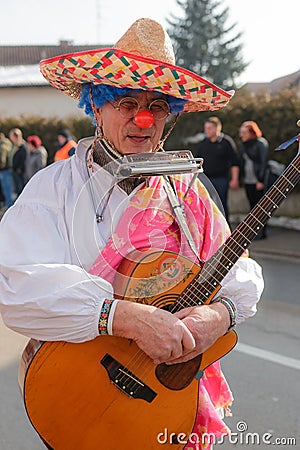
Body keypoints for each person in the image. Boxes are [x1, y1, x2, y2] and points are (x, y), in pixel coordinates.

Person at [0, 18, 264, 450]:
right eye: (126, 102)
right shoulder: (53, 187)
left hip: (163, 403)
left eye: (157, 106)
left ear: (170, 117)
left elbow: (238, 269)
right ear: (96, 107)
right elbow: (18, 286)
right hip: (81, 397)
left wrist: (219, 316)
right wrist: (127, 318)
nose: (143, 119)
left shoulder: (187, 190)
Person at [195, 116, 240, 223]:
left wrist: (235, 179)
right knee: (207, 205)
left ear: (217, 128)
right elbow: (197, 163)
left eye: (209, 128)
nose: (207, 131)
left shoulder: (226, 142)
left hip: (221, 179)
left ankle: (225, 229)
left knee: (221, 205)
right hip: (206, 180)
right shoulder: (203, 144)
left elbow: (235, 163)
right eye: (206, 128)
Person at [239, 120, 269, 239]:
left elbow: (263, 162)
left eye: (244, 133)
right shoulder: (243, 145)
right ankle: (254, 232)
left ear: (252, 133)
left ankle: (262, 232)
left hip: (258, 181)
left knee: (261, 207)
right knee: (252, 207)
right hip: (248, 180)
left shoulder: (260, 144)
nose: (241, 135)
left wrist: (261, 180)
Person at [8, 128, 28, 196]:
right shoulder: (14, 145)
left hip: (20, 173)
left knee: (21, 191)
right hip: (14, 171)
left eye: (11, 136)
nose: (10, 138)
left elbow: (24, 159)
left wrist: (19, 169)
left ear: (16, 136)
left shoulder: (23, 146)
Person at [0, 132, 15, 208]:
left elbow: (2, 160)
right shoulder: (8, 143)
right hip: (8, 170)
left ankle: (9, 208)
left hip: (4, 171)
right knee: (8, 191)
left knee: (7, 191)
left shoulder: (2, 146)